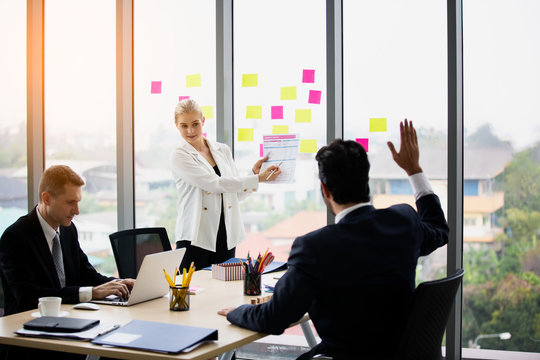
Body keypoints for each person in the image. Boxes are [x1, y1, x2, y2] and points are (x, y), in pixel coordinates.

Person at [218, 120, 449, 360]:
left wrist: (237, 311)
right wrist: (413, 169)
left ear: (325, 191)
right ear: (366, 182)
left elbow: (273, 319)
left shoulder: (314, 248)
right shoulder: (403, 221)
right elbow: (438, 229)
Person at [0, 165, 134, 360]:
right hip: (31, 343)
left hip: (69, 330)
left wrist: (120, 284)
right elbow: (28, 296)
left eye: (78, 202)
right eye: (71, 202)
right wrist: (91, 292)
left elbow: (87, 274)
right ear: (46, 198)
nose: (77, 211)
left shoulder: (68, 231)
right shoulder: (16, 237)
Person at [170, 99, 281, 271]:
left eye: (195, 124)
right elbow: (215, 184)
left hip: (226, 234)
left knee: (224, 293)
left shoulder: (222, 150)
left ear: (203, 121)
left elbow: (235, 194)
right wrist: (257, 178)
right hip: (195, 236)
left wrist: (253, 173)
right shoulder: (179, 156)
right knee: (194, 294)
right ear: (176, 125)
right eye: (184, 126)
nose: (190, 131)